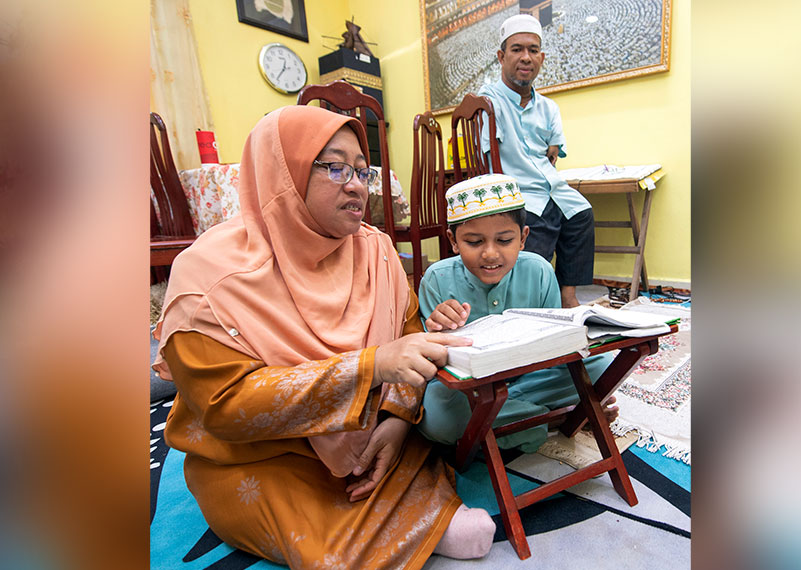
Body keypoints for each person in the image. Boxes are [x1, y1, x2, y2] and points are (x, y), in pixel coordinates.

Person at [152, 106, 496, 569]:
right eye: (335, 167)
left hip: (368, 431)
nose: (356, 185)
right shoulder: (207, 279)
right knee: (320, 547)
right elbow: (225, 405)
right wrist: (369, 366)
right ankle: (416, 522)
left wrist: (396, 421)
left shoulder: (376, 251)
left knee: (415, 444)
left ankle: (413, 504)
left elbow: (410, 334)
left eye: (362, 171)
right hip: (260, 454)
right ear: (283, 174)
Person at [417, 174, 616, 453]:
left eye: (504, 240)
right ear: (454, 241)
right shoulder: (436, 280)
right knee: (437, 419)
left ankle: (506, 415)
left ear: (522, 238)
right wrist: (440, 329)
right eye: (474, 242)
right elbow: (434, 364)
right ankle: (551, 419)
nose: (490, 254)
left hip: (532, 376)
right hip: (470, 389)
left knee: (603, 363)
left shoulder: (539, 271)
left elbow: (554, 349)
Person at [478, 13, 595, 308]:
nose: (526, 57)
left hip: (550, 187)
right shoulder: (488, 101)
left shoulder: (548, 108)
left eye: (533, 50)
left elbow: (552, 154)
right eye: (517, 49)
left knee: (581, 214)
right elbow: (485, 155)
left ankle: (567, 297)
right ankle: (532, 304)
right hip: (516, 191)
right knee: (539, 221)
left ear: (541, 58)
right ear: (501, 57)